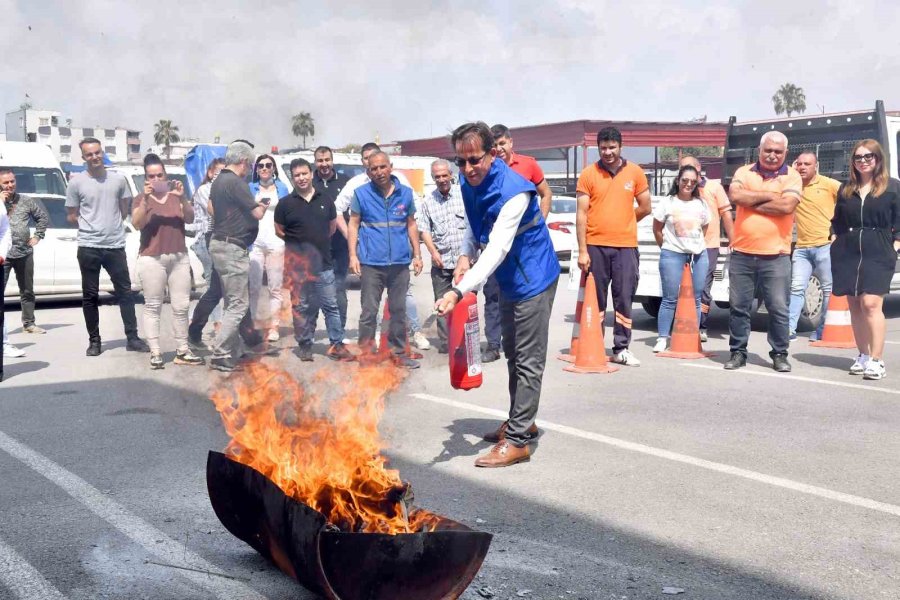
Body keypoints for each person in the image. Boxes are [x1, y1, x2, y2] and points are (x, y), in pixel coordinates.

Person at [435, 122, 559, 468]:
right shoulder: (467, 182)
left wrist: (459, 289)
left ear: (492, 154)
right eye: (461, 162)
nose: (467, 168)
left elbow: (497, 247)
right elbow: (475, 227)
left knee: (529, 359)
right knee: (513, 354)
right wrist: (464, 255)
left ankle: (518, 442)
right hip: (508, 279)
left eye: (474, 160)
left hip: (533, 277)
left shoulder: (515, 191)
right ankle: (522, 420)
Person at [336, 143, 429, 350]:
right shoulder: (361, 194)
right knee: (369, 312)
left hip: (400, 262)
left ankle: (398, 353)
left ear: (391, 167)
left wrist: (417, 254)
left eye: (382, 167)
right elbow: (353, 224)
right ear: (368, 172)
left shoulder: (405, 193)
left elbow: (411, 224)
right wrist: (353, 255)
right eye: (374, 169)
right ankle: (367, 355)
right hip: (371, 263)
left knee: (398, 311)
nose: (379, 172)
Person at [725, 131, 802, 372]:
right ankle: (738, 352)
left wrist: (751, 201)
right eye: (768, 150)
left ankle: (780, 354)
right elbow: (735, 195)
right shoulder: (743, 172)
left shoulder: (792, 176)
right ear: (759, 150)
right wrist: (770, 196)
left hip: (777, 255)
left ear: (785, 153)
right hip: (742, 253)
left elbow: (787, 206)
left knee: (778, 308)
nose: (772, 155)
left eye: (778, 151)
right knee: (739, 307)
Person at [478, 125, 555, 363]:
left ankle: (522, 345)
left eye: (502, 143)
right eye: (495, 145)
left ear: (511, 142)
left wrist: (539, 222)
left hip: (523, 251)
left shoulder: (528, 165)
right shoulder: (485, 170)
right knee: (493, 296)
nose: (499, 148)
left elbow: (546, 193)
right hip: (495, 248)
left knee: (524, 299)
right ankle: (493, 345)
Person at [65, 138, 149, 356]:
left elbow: (124, 208)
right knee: (90, 296)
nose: (94, 157)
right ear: (83, 157)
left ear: (102, 152)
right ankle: (94, 341)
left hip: (114, 246)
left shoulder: (118, 180)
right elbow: (72, 215)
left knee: (125, 293)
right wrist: (91, 225)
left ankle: (132, 338)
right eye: (89, 154)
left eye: (97, 152)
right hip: (88, 246)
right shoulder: (76, 182)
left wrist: (110, 225)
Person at [575, 127, 651, 366]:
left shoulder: (635, 172)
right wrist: (583, 250)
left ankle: (621, 348)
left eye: (612, 147)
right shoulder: (588, 174)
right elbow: (581, 214)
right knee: (595, 299)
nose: (608, 152)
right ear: (598, 148)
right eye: (603, 148)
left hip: (625, 247)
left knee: (624, 298)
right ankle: (594, 346)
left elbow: (646, 207)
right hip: (595, 246)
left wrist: (625, 220)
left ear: (621, 146)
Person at [831, 139, 900, 381]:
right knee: (855, 305)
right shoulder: (846, 188)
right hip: (848, 250)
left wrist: (896, 243)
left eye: (868, 156)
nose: (863, 161)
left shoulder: (892, 187)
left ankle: (877, 360)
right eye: (858, 157)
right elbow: (837, 219)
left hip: (878, 249)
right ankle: (863, 355)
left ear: (878, 159)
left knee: (871, 303)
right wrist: (834, 237)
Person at [130, 154, 204, 370]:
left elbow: (190, 218)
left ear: (166, 175)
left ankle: (183, 350)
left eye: (159, 175)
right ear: (146, 178)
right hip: (152, 259)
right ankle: (155, 352)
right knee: (153, 306)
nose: (156, 179)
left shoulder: (175, 196)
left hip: (179, 257)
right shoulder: (140, 198)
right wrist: (145, 200)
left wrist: (182, 198)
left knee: (181, 306)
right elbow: (136, 223)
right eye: (151, 176)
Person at [275, 158, 353, 362]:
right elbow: (279, 231)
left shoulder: (325, 200)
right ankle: (305, 345)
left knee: (331, 306)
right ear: (293, 178)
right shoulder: (285, 204)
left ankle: (337, 345)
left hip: (323, 265)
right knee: (301, 307)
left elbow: (331, 228)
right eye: (297, 175)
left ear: (311, 174)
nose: (301, 178)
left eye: (304, 173)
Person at [207, 141, 268, 372]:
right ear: (243, 161)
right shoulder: (236, 182)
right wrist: (262, 206)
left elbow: (214, 209)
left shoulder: (218, 180)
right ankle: (221, 354)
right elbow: (257, 214)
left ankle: (234, 350)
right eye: (250, 165)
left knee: (232, 301)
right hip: (232, 247)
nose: (249, 169)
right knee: (238, 305)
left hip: (220, 243)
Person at [651, 165, 710, 352]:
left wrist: (695, 245)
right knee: (670, 298)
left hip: (698, 254)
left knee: (696, 298)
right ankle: (662, 337)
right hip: (672, 253)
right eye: (685, 180)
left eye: (693, 181)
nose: (689, 184)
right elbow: (657, 228)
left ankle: (692, 336)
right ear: (678, 181)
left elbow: (705, 228)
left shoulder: (701, 204)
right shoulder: (667, 202)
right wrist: (667, 247)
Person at [678, 156, 733, 341]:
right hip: (683, 246)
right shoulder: (681, 189)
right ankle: (683, 323)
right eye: (683, 168)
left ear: (699, 168)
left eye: (690, 167)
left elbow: (726, 214)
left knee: (702, 287)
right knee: (684, 287)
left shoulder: (714, 187)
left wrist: (732, 239)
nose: (687, 172)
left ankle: (701, 325)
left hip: (708, 246)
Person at [789, 152, 841, 341]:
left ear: (816, 166)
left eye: (807, 164)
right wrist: (791, 173)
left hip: (825, 245)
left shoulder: (829, 184)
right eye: (799, 164)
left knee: (828, 290)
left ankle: (821, 331)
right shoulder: (793, 186)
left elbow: (850, 200)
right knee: (796, 288)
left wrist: (838, 231)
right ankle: (788, 330)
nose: (802, 167)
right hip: (802, 248)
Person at [418, 159, 467, 354]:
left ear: (451, 175)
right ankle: (447, 344)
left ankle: (464, 342)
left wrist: (470, 255)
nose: (441, 179)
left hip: (464, 263)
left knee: (465, 304)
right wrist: (433, 252)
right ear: (433, 178)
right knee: (441, 304)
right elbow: (424, 230)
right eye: (437, 177)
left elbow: (474, 225)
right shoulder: (428, 202)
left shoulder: (464, 195)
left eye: (444, 175)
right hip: (441, 263)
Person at [1, 168, 49, 335]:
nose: (10, 185)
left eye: (12, 181)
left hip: (24, 253)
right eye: (5, 182)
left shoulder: (26, 200)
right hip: (3, 255)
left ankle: (29, 323)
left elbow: (42, 217)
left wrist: (37, 236)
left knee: (27, 290)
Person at [248, 154, 289, 342]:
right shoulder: (250, 188)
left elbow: (288, 213)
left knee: (275, 287)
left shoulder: (282, 188)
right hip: (254, 242)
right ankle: (252, 324)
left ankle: (274, 326)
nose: (264, 168)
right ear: (256, 169)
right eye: (261, 166)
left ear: (274, 168)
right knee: (254, 286)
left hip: (276, 242)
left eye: (268, 165)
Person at [313, 146, 351, 330]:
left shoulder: (345, 182)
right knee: (313, 291)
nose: (324, 164)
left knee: (338, 288)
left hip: (340, 246)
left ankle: (338, 331)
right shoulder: (309, 182)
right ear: (315, 162)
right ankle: (308, 334)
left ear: (332, 160)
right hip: (315, 248)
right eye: (320, 161)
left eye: (327, 160)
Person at [189, 158, 225, 289]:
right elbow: (215, 211)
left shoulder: (225, 189)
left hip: (218, 239)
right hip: (205, 239)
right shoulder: (204, 189)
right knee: (213, 283)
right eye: (219, 172)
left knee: (220, 281)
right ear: (210, 173)